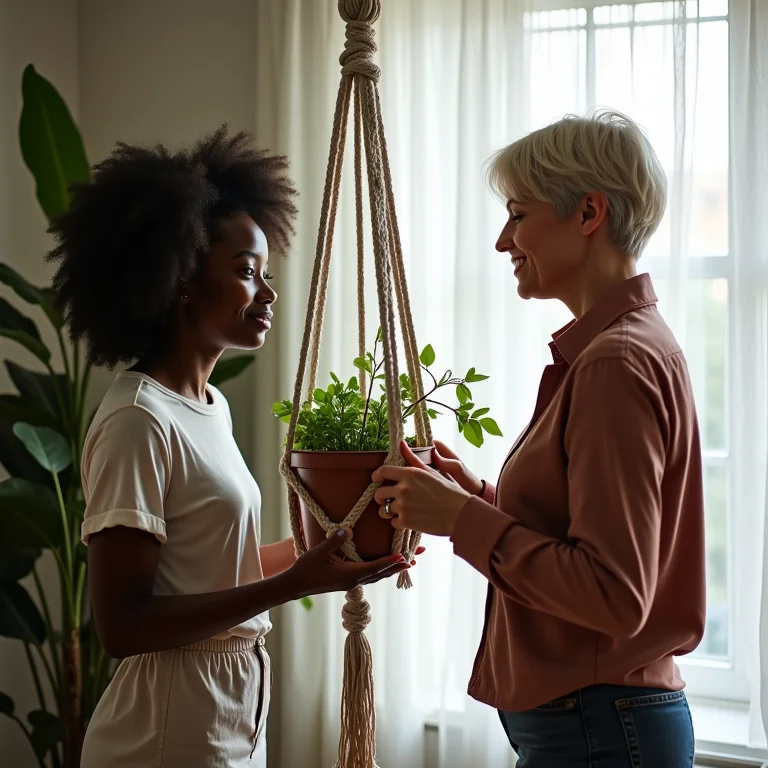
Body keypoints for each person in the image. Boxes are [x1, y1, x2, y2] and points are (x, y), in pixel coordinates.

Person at [49, 127, 414, 768]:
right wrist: (293, 583)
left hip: (228, 712)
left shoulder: (208, 407)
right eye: (248, 272)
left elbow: (215, 566)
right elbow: (124, 626)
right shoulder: (139, 419)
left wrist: (336, 551)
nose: (268, 293)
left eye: (267, 274)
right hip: (163, 734)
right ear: (183, 276)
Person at [372, 111, 705, 768]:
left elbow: (613, 593)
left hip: (601, 730)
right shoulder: (622, 350)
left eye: (517, 215)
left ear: (588, 212)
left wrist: (464, 521)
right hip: (600, 725)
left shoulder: (615, 363)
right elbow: (587, 538)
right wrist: (476, 497)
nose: (503, 241)